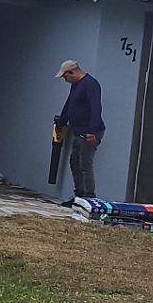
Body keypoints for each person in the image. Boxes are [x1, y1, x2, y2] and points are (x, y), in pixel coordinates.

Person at [55, 59, 104, 203]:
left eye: (65, 76)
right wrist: (61, 122)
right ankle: (79, 195)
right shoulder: (76, 85)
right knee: (74, 161)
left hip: (90, 132)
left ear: (73, 72)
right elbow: (69, 103)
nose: (65, 80)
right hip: (78, 131)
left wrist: (92, 131)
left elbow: (96, 107)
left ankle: (89, 197)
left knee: (85, 163)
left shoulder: (91, 84)